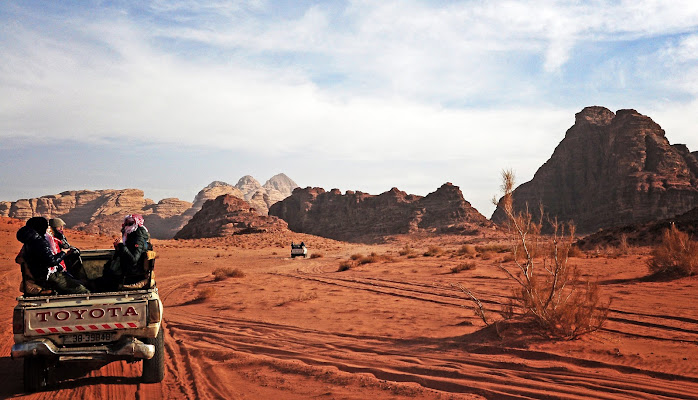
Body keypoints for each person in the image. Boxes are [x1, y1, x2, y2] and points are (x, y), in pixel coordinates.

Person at [16, 217, 89, 295]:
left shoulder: (30, 241)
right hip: (48, 275)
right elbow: (51, 261)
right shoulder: (42, 241)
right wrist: (63, 253)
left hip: (43, 274)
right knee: (82, 290)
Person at [102, 214, 151, 290]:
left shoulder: (138, 237)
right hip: (128, 271)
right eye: (126, 224)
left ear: (136, 224)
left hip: (132, 274)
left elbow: (133, 260)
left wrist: (121, 245)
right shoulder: (131, 236)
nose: (127, 226)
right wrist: (119, 248)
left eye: (130, 224)